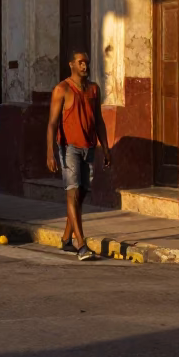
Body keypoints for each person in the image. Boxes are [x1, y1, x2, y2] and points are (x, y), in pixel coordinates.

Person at [46, 51, 111, 261]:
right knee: (72, 192)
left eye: (87, 63)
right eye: (80, 63)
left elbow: (99, 120)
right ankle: (81, 244)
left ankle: (66, 237)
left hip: (89, 146)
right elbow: (52, 123)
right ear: (71, 64)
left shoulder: (93, 89)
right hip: (69, 148)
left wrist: (106, 148)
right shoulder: (61, 89)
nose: (85, 66)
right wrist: (51, 153)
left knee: (82, 193)